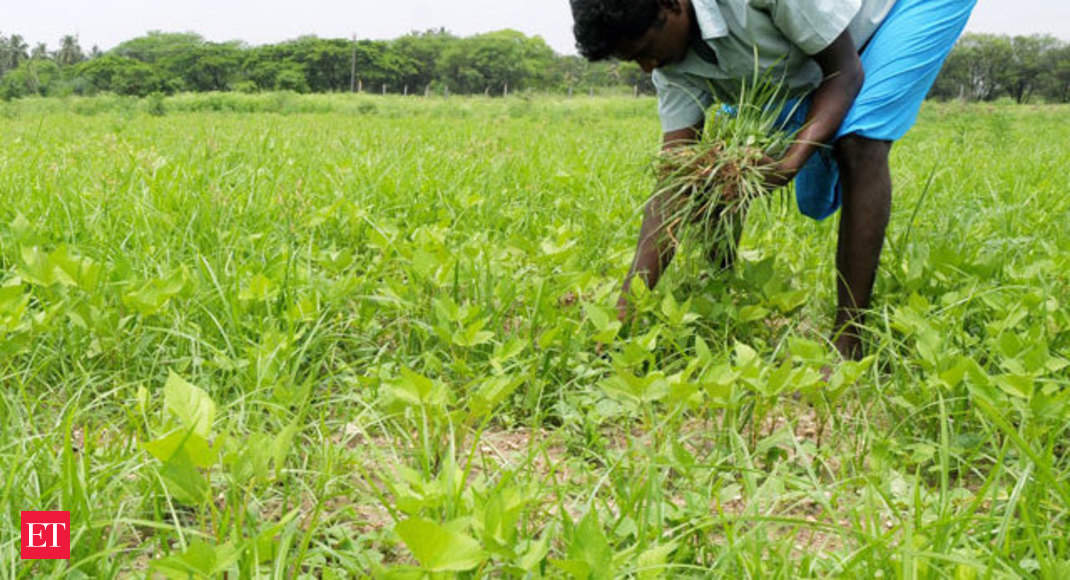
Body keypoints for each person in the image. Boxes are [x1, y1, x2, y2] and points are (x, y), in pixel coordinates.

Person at [569, 0, 976, 359]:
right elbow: (674, 184)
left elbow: (845, 73)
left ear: (671, 5)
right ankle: (720, 291)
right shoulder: (672, 67)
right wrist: (627, 309)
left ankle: (849, 338)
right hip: (822, 47)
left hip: (898, 9)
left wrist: (793, 159)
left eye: (643, 51)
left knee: (858, 143)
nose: (646, 67)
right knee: (717, 160)